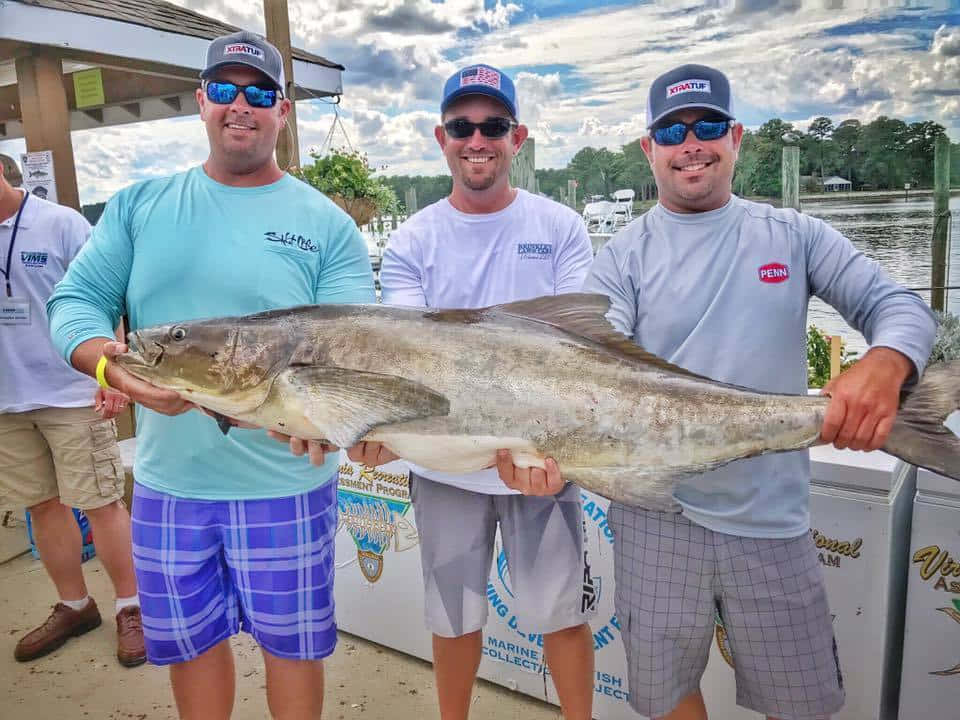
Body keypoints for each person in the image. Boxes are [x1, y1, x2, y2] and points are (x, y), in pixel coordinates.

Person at [582, 64, 937, 720]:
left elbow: (900, 306)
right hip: (657, 512)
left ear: (736, 137)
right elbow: (596, 372)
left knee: (799, 703)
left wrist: (885, 365)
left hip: (772, 518)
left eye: (708, 125)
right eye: (672, 130)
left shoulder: (794, 236)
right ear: (649, 148)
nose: (692, 142)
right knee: (666, 697)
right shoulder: (619, 259)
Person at [46, 31, 375, 719]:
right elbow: (74, 305)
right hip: (171, 489)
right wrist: (115, 369)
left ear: (283, 111)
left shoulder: (328, 224)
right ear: (201, 101)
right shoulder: (140, 207)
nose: (241, 106)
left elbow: (356, 350)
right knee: (191, 649)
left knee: (293, 650)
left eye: (259, 94)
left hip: (287, 484)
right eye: (224, 90)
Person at [347, 63, 596, 720]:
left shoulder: (562, 227)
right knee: (452, 619)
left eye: (494, 126)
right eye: (464, 126)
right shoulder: (411, 241)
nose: (478, 139)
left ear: (517, 138)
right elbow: (407, 361)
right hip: (445, 466)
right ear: (441, 136)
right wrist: (380, 436)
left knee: (561, 615)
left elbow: (576, 352)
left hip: (539, 453)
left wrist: (557, 452)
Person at [0, 153, 146, 667]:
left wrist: (113, 376)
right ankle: (74, 604)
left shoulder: (59, 223)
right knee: (40, 504)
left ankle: (132, 606)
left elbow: (107, 299)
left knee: (101, 501)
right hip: (6, 399)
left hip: (72, 389)